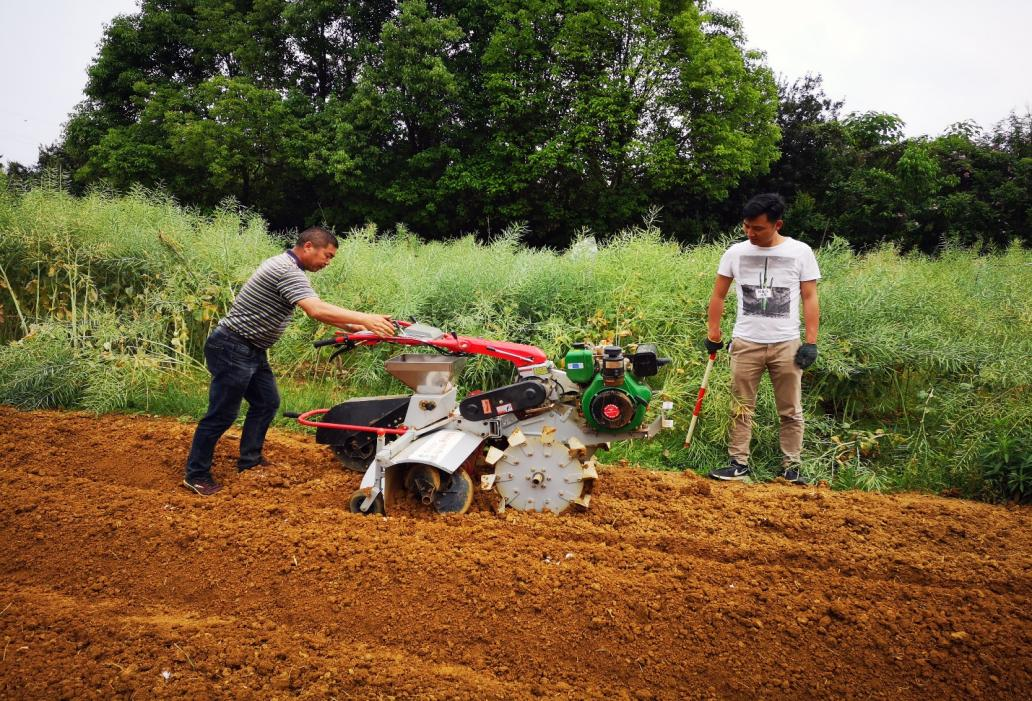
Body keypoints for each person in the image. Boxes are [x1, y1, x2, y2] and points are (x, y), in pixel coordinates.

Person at [182, 226, 396, 496]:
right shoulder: (286, 270)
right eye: (327, 256)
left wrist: (355, 327)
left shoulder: (288, 268)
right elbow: (316, 309)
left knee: (266, 402)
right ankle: (196, 473)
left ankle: (250, 461)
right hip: (232, 346)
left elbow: (314, 310)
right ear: (308, 247)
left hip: (251, 348)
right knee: (222, 413)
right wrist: (366, 318)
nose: (327, 263)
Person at [705, 193, 820, 484]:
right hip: (745, 342)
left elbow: (810, 297)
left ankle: (790, 468)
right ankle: (737, 463)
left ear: (777, 224)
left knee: (791, 409)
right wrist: (713, 333)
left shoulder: (800, 252)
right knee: (741, 406)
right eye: (746, 227)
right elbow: (718, 294)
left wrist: (810, 342)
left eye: (758, 228)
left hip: (786, 344)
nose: (750, 233)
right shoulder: (735, 253)